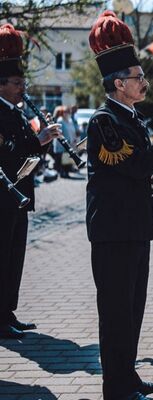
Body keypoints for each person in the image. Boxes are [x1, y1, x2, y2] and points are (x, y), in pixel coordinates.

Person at [85, 11, 153, 400]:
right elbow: (133, 166)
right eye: (137, 77)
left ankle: (127, 376)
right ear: (118, 83)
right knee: (115, 314)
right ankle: (115, 387)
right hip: (113, 231)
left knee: (132, 310)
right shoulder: (103, 122)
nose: (144, 82)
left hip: (133, 228)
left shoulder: (129, 116)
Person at [0, 23, 62, 339]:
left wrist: (47, 140)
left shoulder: (19, 112)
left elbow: (28, 152)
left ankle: (8, 311)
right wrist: (36, 141)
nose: (23, 85)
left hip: (20, 194)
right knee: (2, 256)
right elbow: (8, 152)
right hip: (3, 197)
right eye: (17, 81)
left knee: (14, 257)